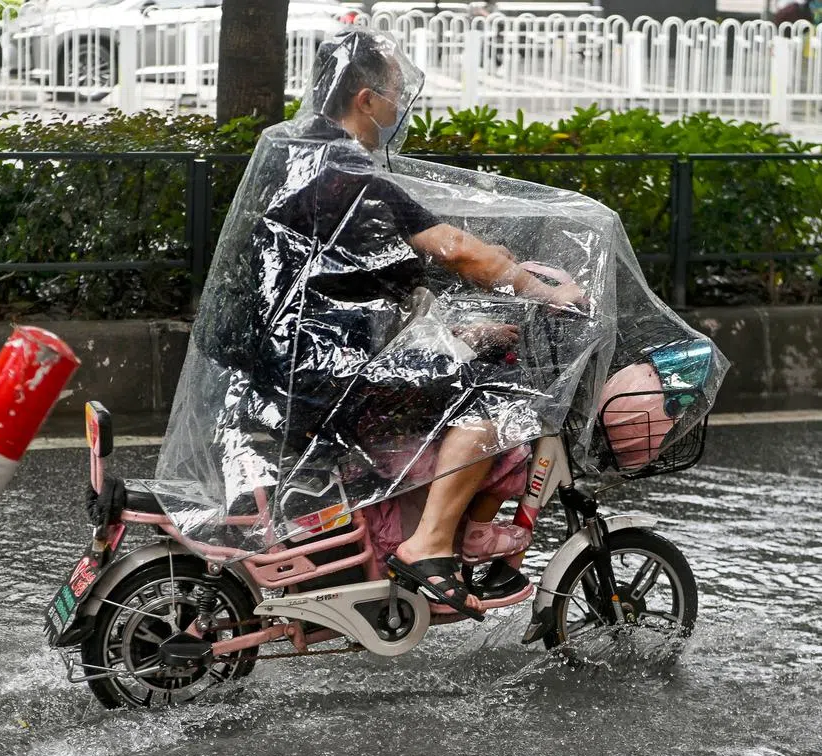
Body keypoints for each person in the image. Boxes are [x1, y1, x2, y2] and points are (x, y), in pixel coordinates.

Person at [243, 28, 586, 618]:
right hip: (327, 374)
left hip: (290, 359)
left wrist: (456, 336)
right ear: (365, 98)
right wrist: (544, 291)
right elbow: (460, 253)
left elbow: (346, 289)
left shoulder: (299, 159)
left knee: (467, 366)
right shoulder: (350, 176)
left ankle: (435, 531)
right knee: (498, 403)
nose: (401, 105)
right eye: (395, 92)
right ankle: (429, 544)